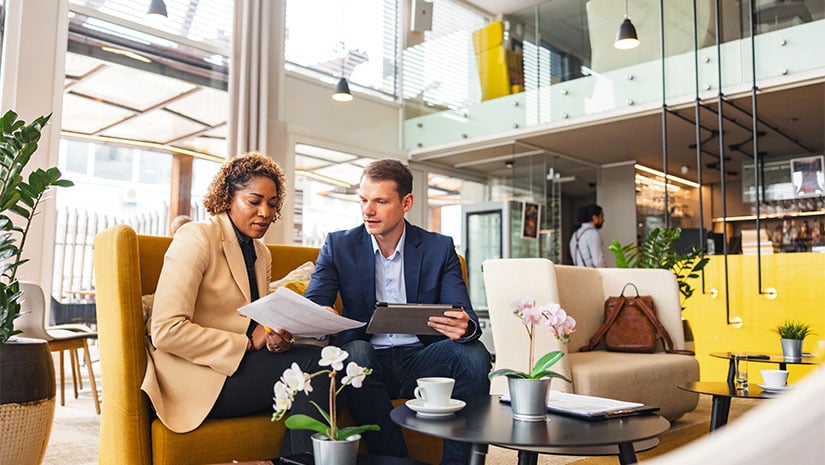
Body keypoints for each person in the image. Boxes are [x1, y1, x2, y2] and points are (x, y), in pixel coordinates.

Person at [304, 159, 491, 465]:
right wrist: (321, 313)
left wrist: (465, 326)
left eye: (380, 201)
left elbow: (463, 313)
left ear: (406, 203)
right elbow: (315, 301)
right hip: (367, 358)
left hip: (420, 358)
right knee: (357, 353)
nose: (368, 210)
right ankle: (396, 461)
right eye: (363, 200)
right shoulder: (339, 245)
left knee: (474, 354)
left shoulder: (439, 248)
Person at [141, 152, 328, 456]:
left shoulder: (260, 253)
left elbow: (252, 321)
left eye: (272, 204)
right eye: (254, 202)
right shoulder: (196, 238)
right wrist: (246, 342)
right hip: (192, 377)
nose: (265, 212)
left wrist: (272, 338)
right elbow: (166, 331)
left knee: (319, 362)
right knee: (313, 366)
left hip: (235, 367)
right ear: (228, 197)